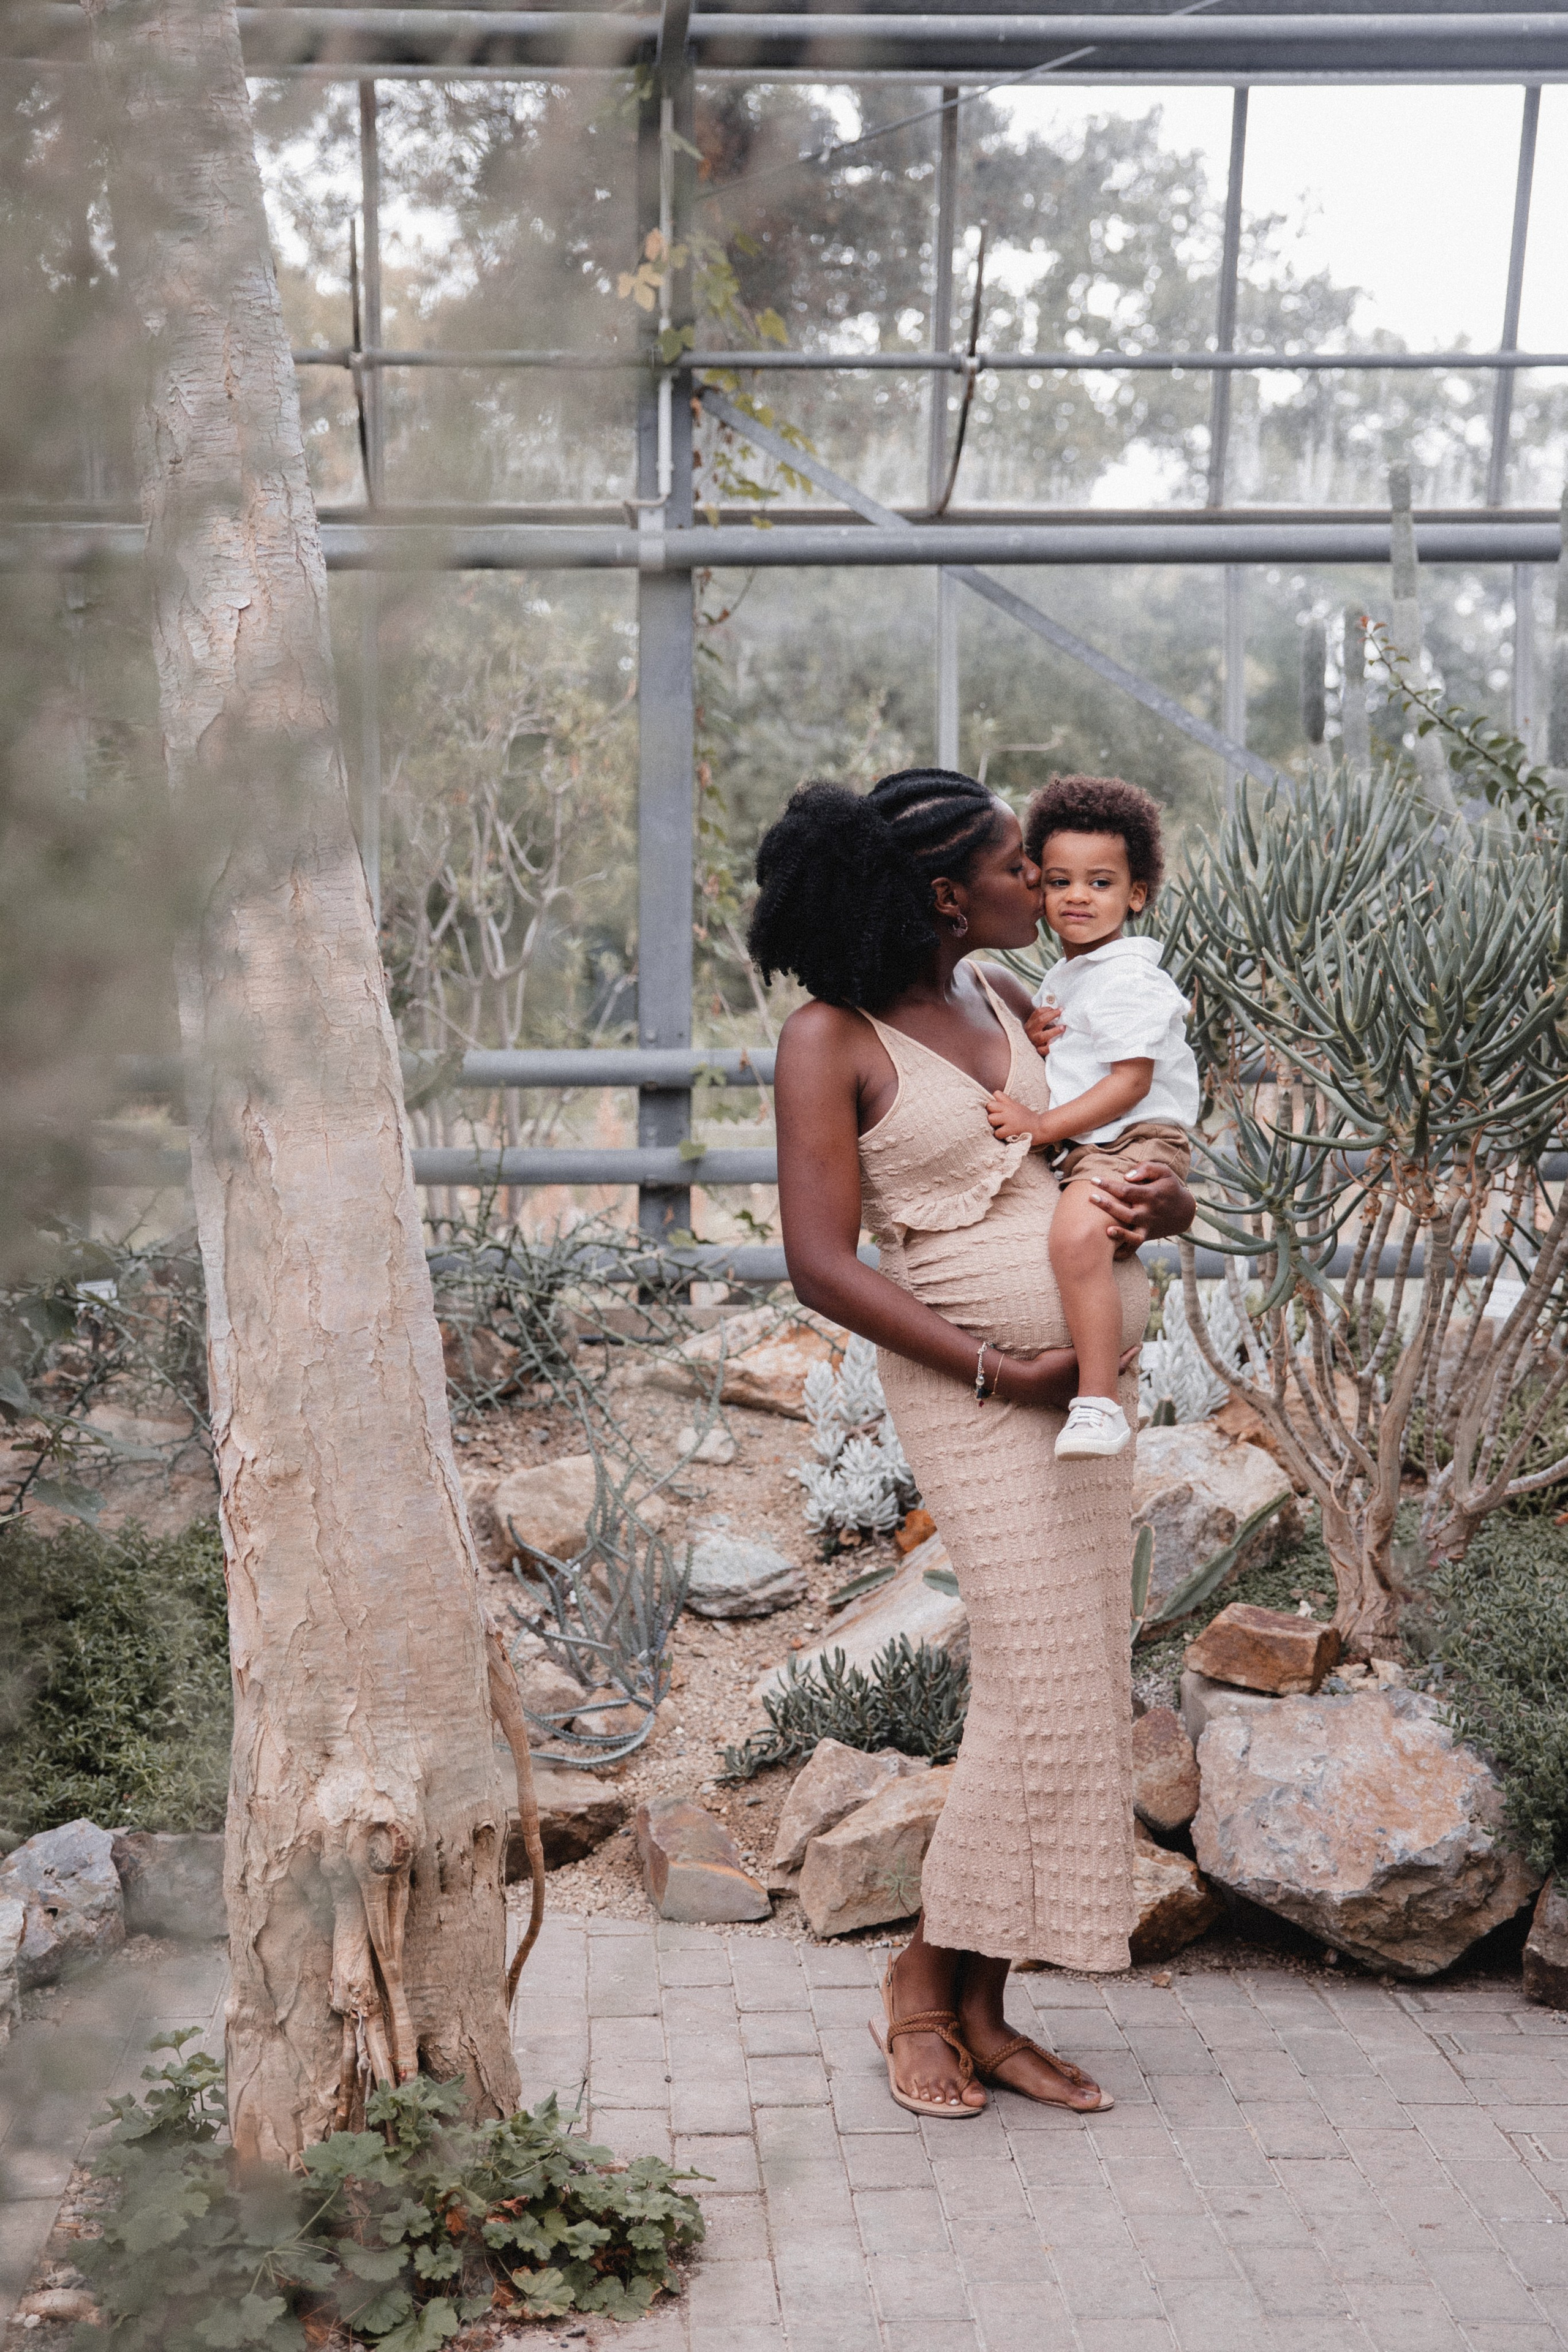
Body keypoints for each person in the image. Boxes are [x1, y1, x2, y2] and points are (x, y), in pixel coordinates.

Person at [750, 767, 1196, 2121]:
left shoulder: (1008, 995)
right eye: (1016, 866)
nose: (1040, 886)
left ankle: (986, 2007)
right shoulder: (829, 1040)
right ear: (946, 896)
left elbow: (1101, 1156)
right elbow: (821, 1266)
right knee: (1042, 1682)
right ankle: (917, 1983)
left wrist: (1157, 1207)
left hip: (1082, 1389)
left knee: (1060, 1682)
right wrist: (1007, 1369)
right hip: (979, 1389)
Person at [984, 775, 1198, 1461]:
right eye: (1060, 881)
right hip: (1097, 1143)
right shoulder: (1073, 976)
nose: (1077, 896)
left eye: (1100, 883)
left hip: (1132, 1137)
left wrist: (1040, 1127)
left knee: (1077, 1240)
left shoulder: (1128, 978)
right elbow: (1085, 1058)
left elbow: (1131, 1082)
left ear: (1136, 895)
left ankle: (1098, 1402)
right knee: (1081, 1242)